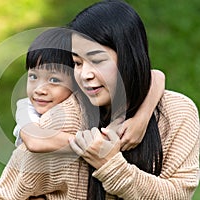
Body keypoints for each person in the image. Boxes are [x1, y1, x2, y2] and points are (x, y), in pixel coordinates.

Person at [0, 27, 164, 199]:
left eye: (54, 80)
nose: (40, 90)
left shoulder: (81, 102)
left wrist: (141, 119)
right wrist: (89, 143)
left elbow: (156, 76)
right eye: (33, 76)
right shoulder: (26, 107)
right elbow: (35, 142)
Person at [67, 0, 200, 199]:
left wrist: (110, 165)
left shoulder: (177, 113)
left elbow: (178, 194)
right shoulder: (69, 112)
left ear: (128, 55)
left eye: (97, 60)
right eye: (77, 63)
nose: (85, 74)